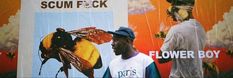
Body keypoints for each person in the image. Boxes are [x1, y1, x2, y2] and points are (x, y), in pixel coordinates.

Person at [158, 0, 206, 78]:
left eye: (173, 13)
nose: (173, 18)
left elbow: (161, 58)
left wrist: (173, 49)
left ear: (180, 10)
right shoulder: (200, 28)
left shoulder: (176, 30)